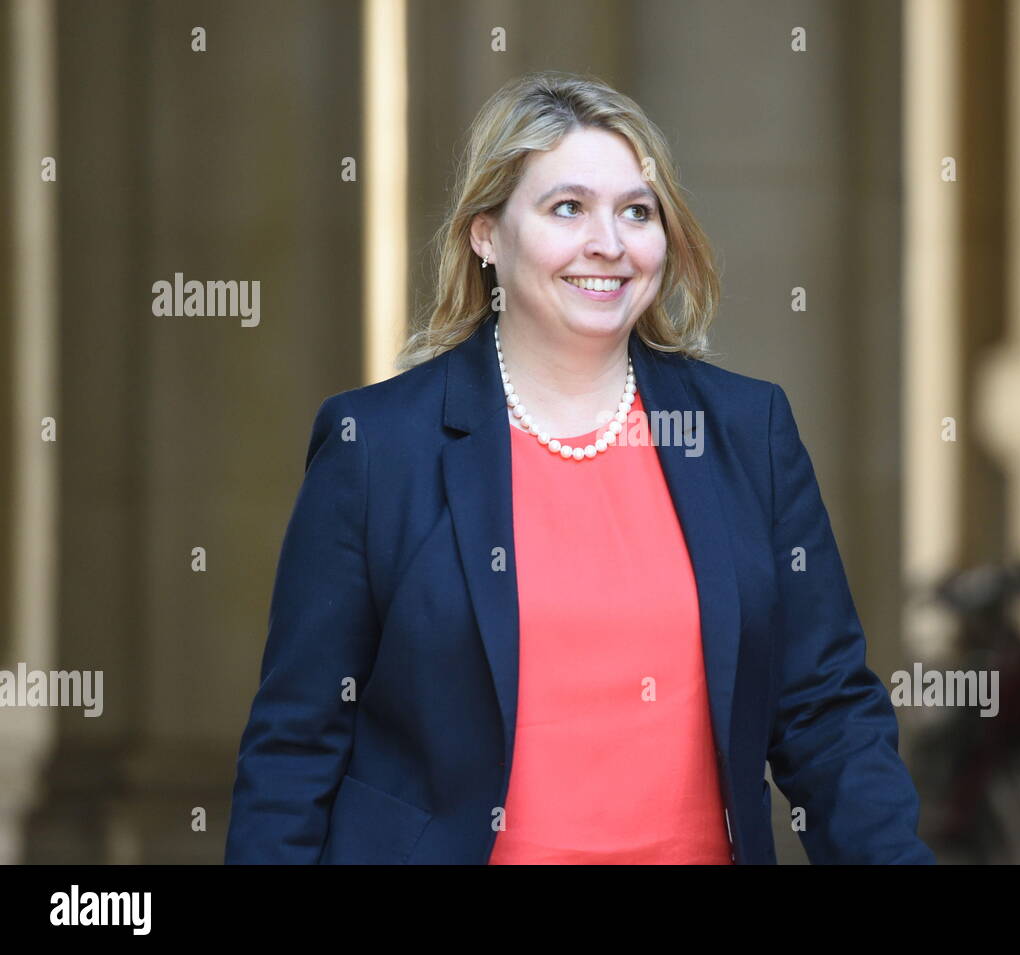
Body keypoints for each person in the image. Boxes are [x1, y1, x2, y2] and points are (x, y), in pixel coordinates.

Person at [225, 70, 935, 865]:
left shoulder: (747, 429)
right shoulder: (376, 447)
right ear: (485, 234)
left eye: (637, 211)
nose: (610, 242)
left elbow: (826, 712)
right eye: (568, 208)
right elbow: (297, 744)